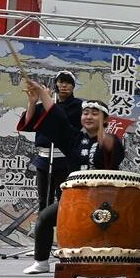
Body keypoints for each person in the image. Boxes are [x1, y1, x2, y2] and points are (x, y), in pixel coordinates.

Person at [18, 79, 140, 275]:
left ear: (105, 119)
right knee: (44, 218)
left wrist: (104, 134)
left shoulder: (111, 139)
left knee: (134, 222)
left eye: (95, 113)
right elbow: (58, 118)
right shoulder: (72, 139)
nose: (88, 116)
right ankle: (41, 262)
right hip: (76, 200)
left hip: (108, 199)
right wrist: (41, 96)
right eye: (85, 113)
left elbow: (112, 151)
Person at [31, 70, 83, 211]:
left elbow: (67, 126)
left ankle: (62, 231)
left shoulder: (79, 106)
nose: (64, 85)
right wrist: (35, 102)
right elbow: (29, 122)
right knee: (43, 200)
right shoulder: (43, 106)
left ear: (73, 86)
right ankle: (43, 232)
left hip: (65, 160)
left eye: (68, 82)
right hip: (43, 160)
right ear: (56, 85)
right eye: (61, 82)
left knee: (64, 200)